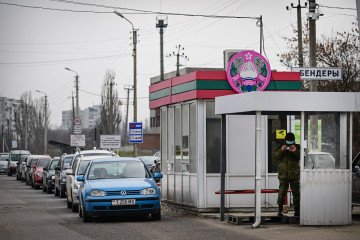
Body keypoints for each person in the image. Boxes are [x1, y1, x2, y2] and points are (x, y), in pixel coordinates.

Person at [272, 132, 300, 217]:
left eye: (291, 141)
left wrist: (295, 151)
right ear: (285, 140)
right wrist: (281, 150)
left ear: (293, 141)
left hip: (294, 175)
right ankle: (280, 210)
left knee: (296, 193)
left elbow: (302, 157)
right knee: (282, 192)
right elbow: (274, 157)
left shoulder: (297, 147)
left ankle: (297, 210)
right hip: (283, 175)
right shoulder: (281, 146)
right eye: (288, 141)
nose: (289, 143)